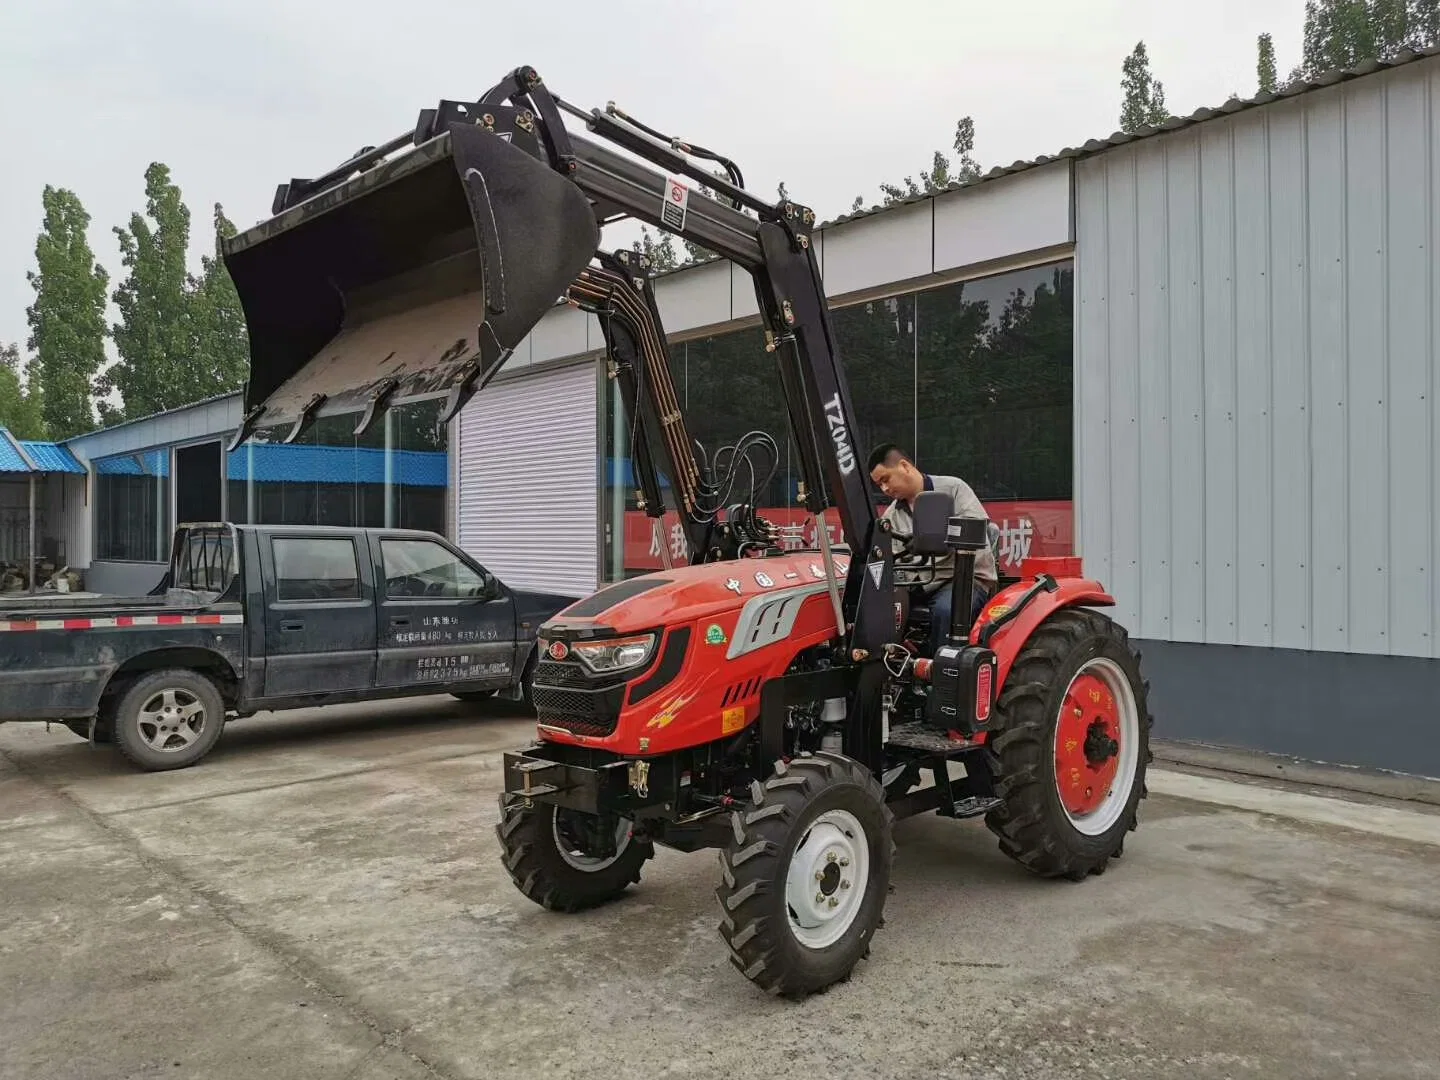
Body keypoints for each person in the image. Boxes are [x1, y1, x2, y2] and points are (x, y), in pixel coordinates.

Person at [867, 443, 996, 657]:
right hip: (919, 583)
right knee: (881, 609)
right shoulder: (892, 515)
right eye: (879, 485)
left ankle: (939, 676)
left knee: (947, 612)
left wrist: (933, 538)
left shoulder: (954, 489)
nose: (885, 489)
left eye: (886, 479)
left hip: (962, 579)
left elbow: (974, 529)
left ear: (904, 466)